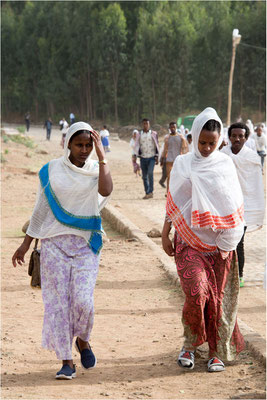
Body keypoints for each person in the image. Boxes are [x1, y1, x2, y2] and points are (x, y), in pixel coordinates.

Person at [12, 122, 113, 380]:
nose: (84, 149)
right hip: (54, 244)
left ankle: (83, 340)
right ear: (68, 143)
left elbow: (106, 190)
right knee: (57, 305)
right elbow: (41, 210)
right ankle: (66, 361)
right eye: (79, 144)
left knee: (83, 301)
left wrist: (102, 158)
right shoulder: (51, 171)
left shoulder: (94, 169)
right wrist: (25, 244)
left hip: (85, 245)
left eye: (88, 145)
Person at [162, 107, 245, 373]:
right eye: (202, 142)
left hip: (220, 245)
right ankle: (190, 343)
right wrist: (165, 233)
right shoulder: (184, 164)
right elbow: (174, 201)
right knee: (197, 293)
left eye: (212, 142)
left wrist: (226, 245)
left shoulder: (224, 165)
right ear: (194, 137)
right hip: (188, 241)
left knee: (216, 300)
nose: (208, 147)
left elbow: (234, 206)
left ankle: (215, 350)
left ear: (219, 139)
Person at [221, 122, 264, 287]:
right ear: (229, 137)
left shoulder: (252, 158)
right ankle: (224, 275)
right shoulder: (222, 155)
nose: (237, 139)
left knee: (239, 243)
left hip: (243, 206)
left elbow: (254, 187)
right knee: (225, 242)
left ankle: (239, 276)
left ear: (246, 138)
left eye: (241, 136)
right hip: (225, 205)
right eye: (234, 135)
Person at [134, 118, 159, 199]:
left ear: (149, 124)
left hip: (151, 157)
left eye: (147, 124)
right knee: (144, 176)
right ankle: (147, 192)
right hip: (143, 158)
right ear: (142, 124)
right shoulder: (139, 134)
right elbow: (136, 145)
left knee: (150, 173)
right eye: (144, 124)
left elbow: (157, 145)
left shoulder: (153, 134)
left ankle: (151, 191)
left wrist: (157, 156)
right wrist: (135, 155)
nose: (145, 125)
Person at [162, 122, 188, 193]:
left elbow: (184, 148)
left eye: (174, 127)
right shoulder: (167, 138)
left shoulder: (181, 137)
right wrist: (162, 158)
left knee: (178, 177)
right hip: (169, 160)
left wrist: (185, 158)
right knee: (169, 176)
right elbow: (165, 149)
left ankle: (177, 192)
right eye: (171, 127)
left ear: (176, 127)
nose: (173, 128)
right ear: (169, 128)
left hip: (178, 160)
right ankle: (168, 192)